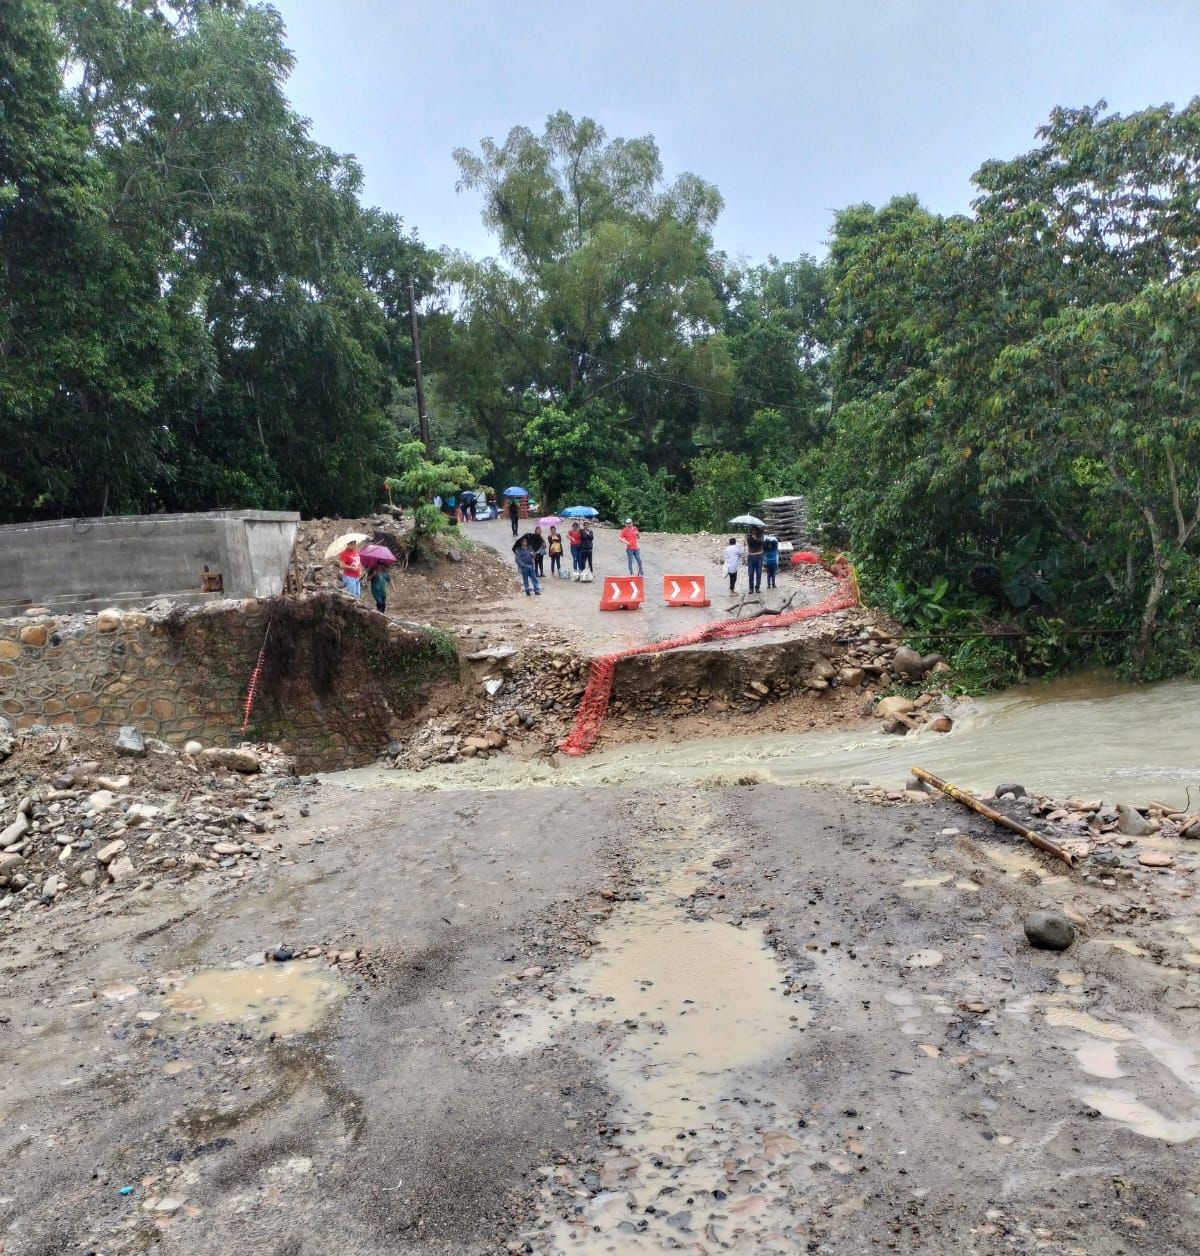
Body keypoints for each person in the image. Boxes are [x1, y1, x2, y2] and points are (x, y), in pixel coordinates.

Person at [746, 526, 765, 594]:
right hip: (751, 557)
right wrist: (751, 538)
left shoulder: (761, 536)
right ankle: (751, 588)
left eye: (755, 530)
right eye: (752, 530)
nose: (753, 531)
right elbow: (750, 544)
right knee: (750, 573)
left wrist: (756, 539)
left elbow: (761, 542)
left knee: (759, 573)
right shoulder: (748, 536)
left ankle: (757, 587)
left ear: (757, 530)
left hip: (759, 556)